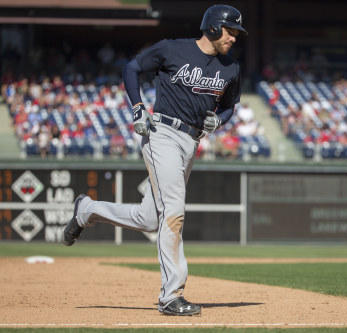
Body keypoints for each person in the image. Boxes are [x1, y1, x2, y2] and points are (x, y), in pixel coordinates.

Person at [62, 4, 247, 317]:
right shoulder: (173, 49)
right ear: (213, 27)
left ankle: (87, 210)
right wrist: (137, 109)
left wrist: (221, 120)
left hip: (190, 143)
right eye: (230, 31)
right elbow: (131, 68)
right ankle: (171, 295)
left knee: (150, 219)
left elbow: (230, 105)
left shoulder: (231, 68)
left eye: (236, 33)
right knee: (173, 212)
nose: (234, 38)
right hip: (161, 133)